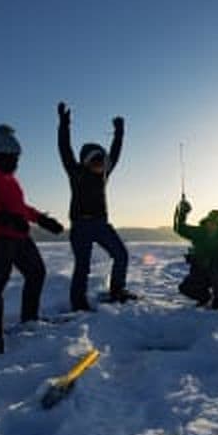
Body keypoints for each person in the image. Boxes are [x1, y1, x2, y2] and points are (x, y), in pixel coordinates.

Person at [0, 125, 64, 323]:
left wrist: (41, 219)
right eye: (13, 158)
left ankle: (30, 319)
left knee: (36, 272)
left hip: (18, 235)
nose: (16, 162)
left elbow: (18, 207)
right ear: (0, 154)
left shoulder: (7, 175)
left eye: (17, 158)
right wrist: (5, 217)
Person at [58, 102, 134, 310]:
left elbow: (115, 154)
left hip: (101, 224)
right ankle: (78, 303)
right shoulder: (76, 173)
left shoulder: (103, 175)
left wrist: (119, 132)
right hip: (80, 226)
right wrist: (64, 125)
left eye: (103, 160)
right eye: (97, 160)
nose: (102, 164)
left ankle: (117, 290)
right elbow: (65, 149)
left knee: (121, 255)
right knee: (82, 266)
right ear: (87, 161)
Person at [174, 199, 218, 309]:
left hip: (216, 273)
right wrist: (182, 213)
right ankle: (204, 297)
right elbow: (179, 228)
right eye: (211, 222)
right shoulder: (199, 232)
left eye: (215, 223)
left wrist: (210, 260)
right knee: (185, 288)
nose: (212, 225)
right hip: (200, 272)